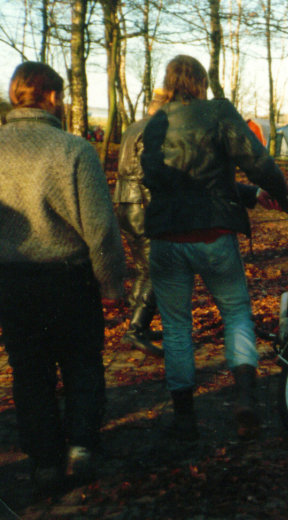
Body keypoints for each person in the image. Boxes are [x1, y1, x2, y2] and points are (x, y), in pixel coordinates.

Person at [141, 55, 288, 441]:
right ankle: (245, 399)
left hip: (166, 235)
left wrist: (250, 194)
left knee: (176, 327)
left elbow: (166, 180)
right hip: (214, 233)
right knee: (236, 313)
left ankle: (185, 419)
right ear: (201, 81)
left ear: (169, 81)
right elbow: (258, 161)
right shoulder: (218, 112)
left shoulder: (156, 123)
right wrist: (286, 196)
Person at [0, 62, 126, 492]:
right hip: (70, 279)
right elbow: (100, 227)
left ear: (16, 96)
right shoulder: (75, 150)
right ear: (52, 97)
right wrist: (110, 284)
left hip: (12, 281)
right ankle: (81, 448)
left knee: (29, 372)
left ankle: (44, 462)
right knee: (82, 363)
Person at [114, 89, 169, 356]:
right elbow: (147, 173)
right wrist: (157, 208)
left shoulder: (132, 128)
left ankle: (137, 326)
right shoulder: (153, 130)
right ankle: (136, 329)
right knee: (157, 268)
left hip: (123, 201)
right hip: (141, 204)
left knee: (143, 267)